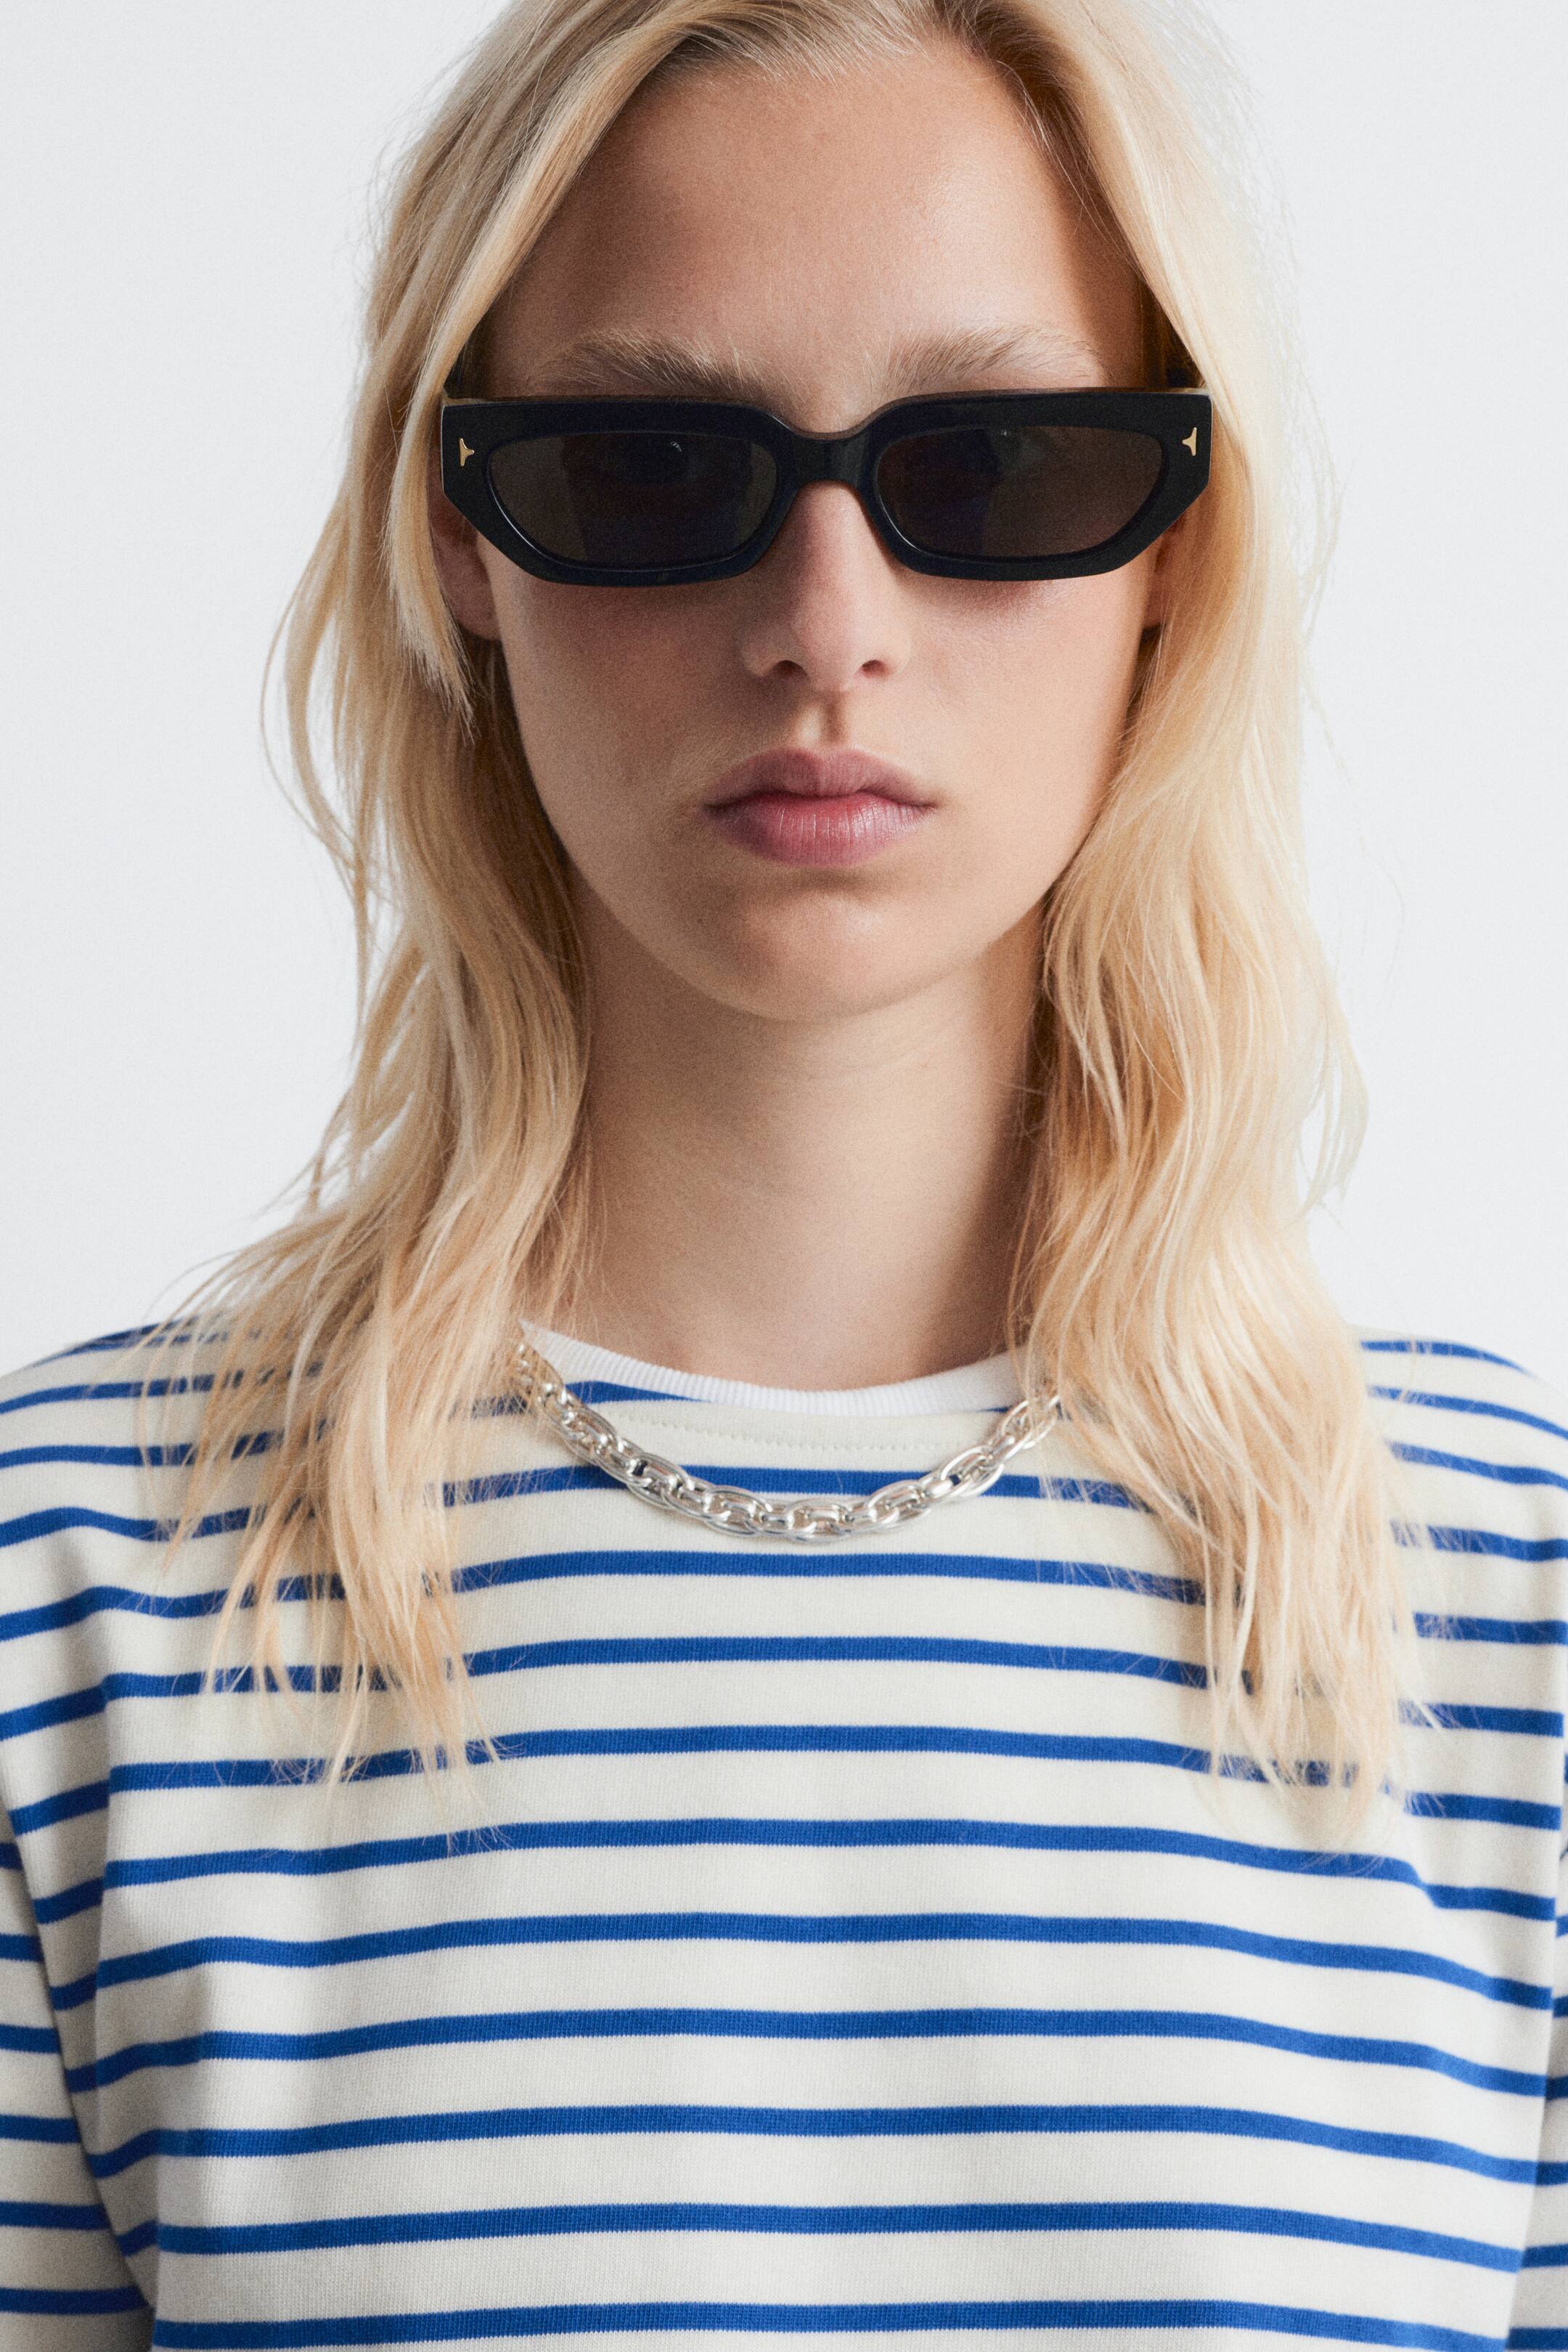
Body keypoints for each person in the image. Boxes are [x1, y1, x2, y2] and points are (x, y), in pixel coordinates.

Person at [1, 0, 1564, 2341]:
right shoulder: (72, 1596)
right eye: (648, 467)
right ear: (457, 537)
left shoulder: (1510, 1603)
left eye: (995, 466)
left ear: (1177, 539)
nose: (827, 630)